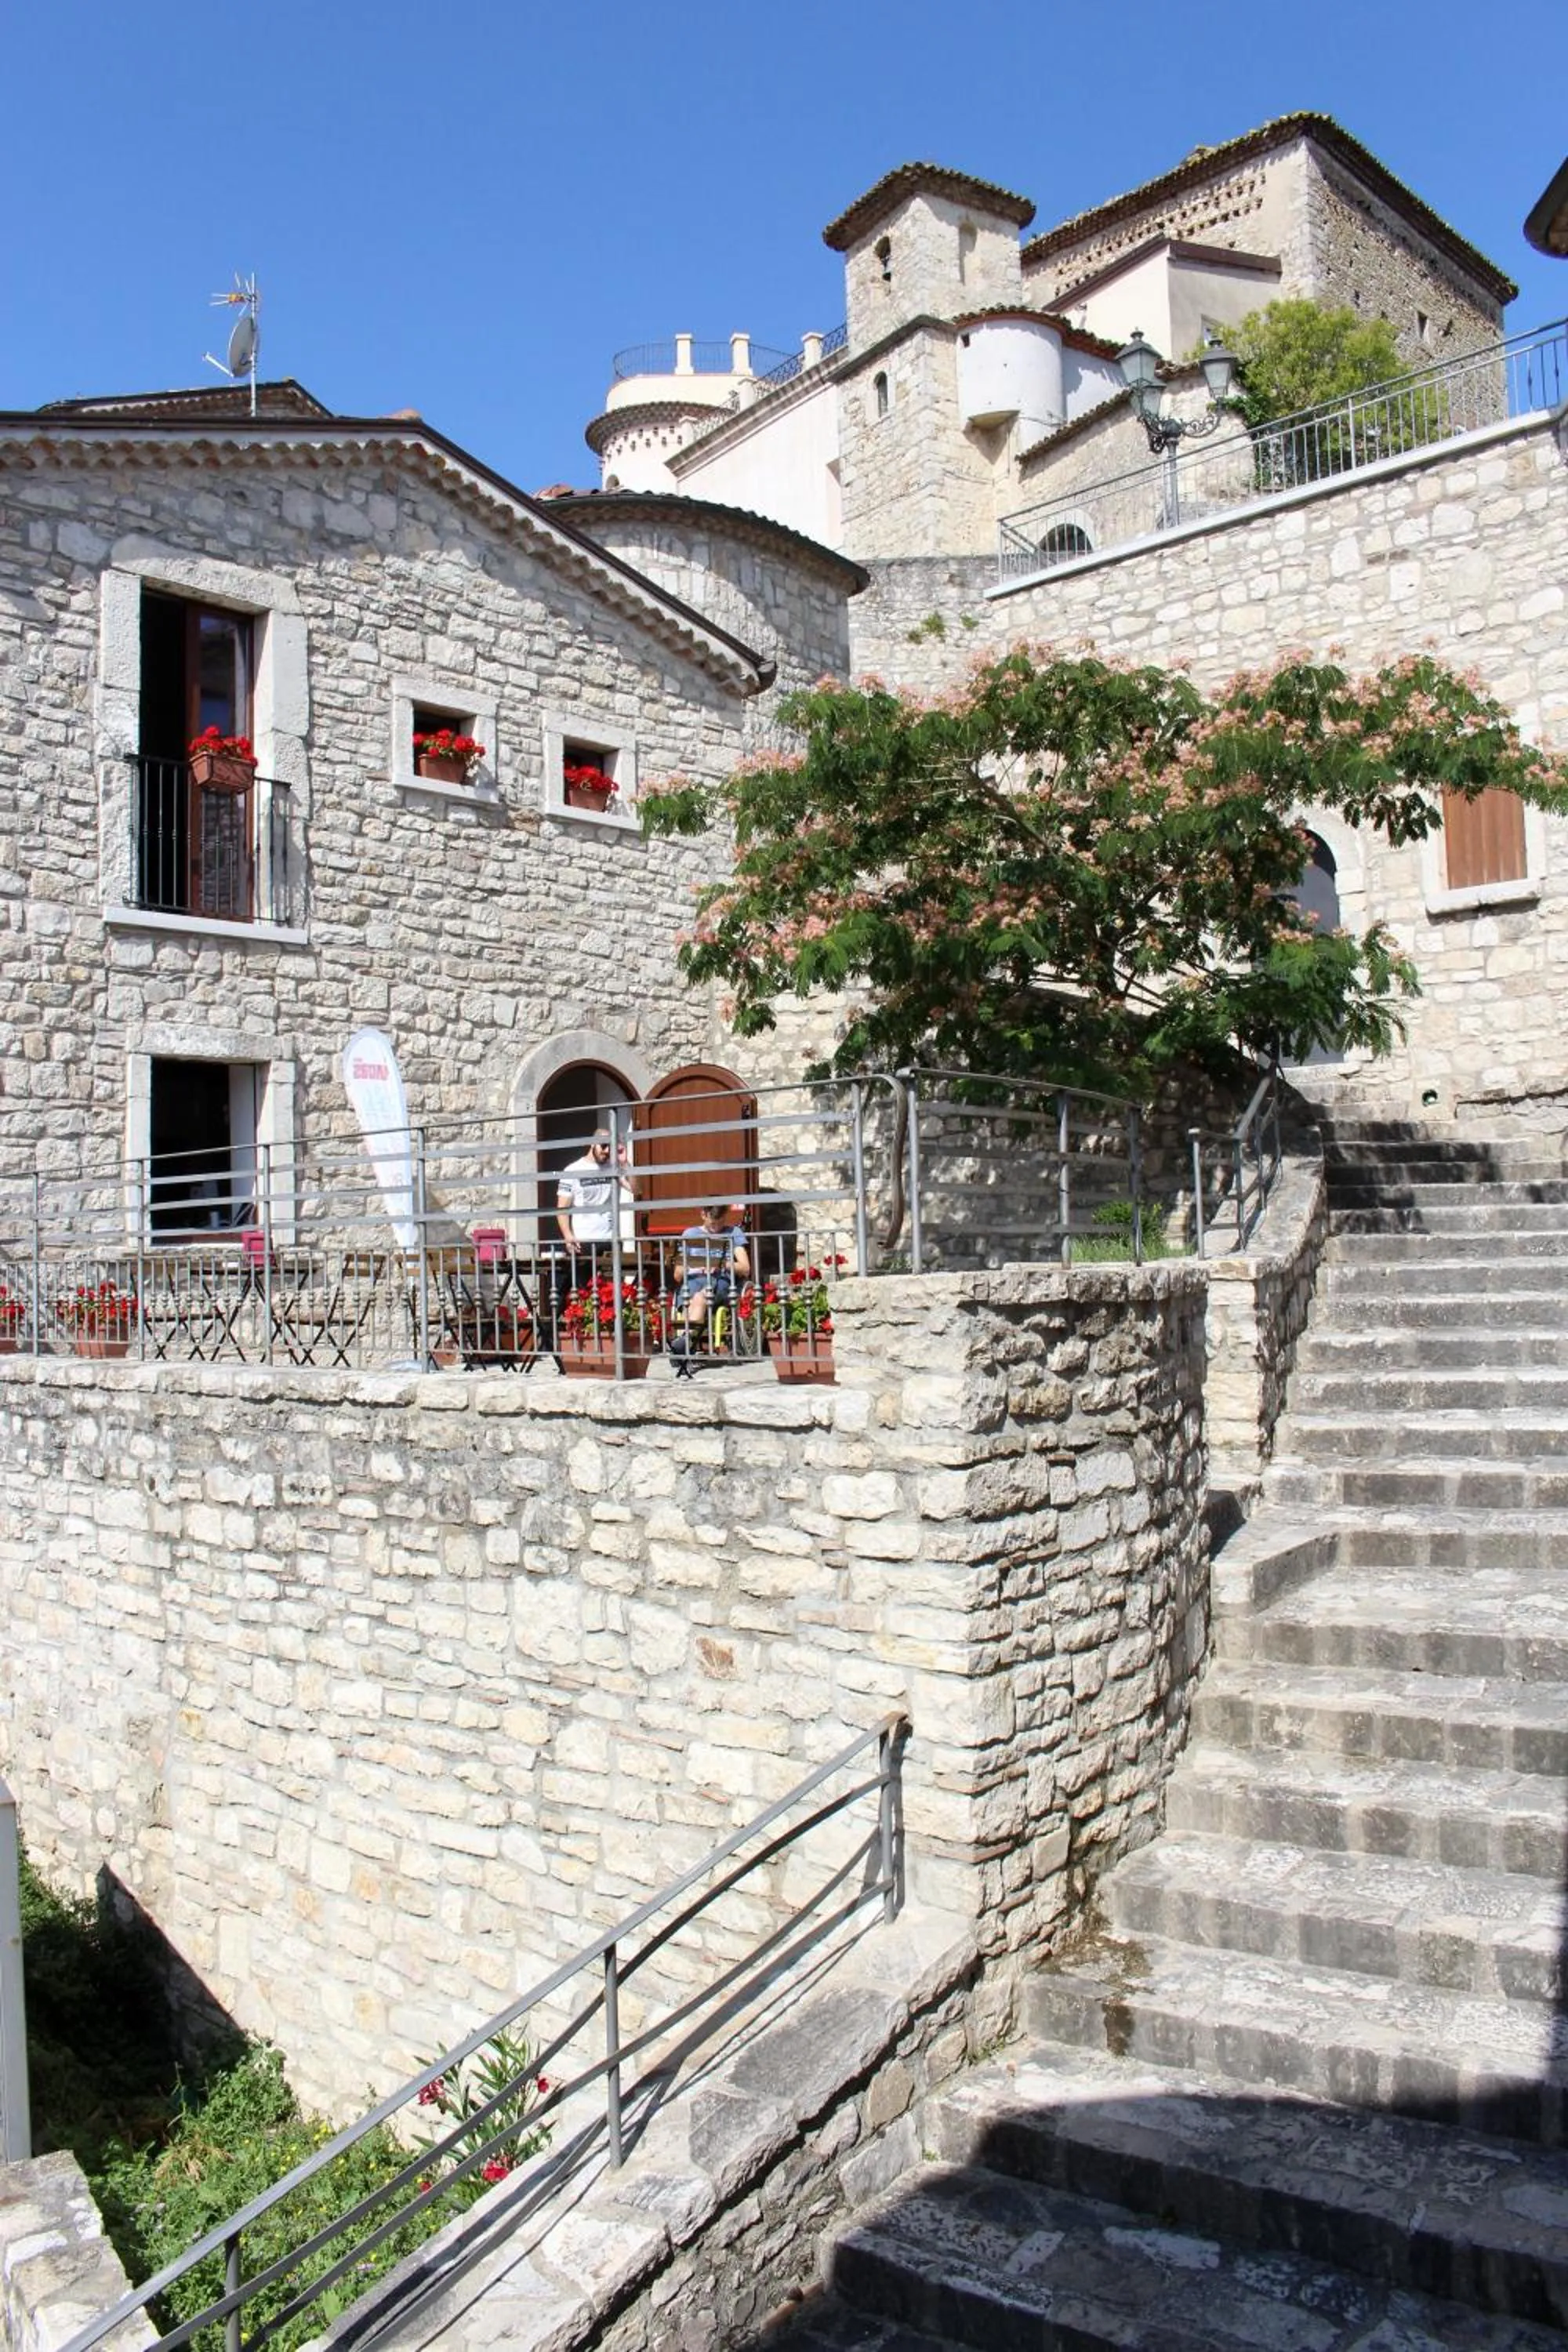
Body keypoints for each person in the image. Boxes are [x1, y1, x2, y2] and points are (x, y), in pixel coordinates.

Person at [554, 1127, 637, 1321]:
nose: (607, 1151)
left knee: (610, 1291)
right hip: (584, 1240)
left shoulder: (613, 1168)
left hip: (610, 1240)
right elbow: (562, 1207)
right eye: (603, 1146)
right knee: (585, 1291)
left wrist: (626, 1164)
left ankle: (609, 1330)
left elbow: (636, 1189)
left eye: (611, 1147)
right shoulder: (573, 1170)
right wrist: (568, 1236)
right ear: (593, 1144)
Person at [670, 1203, 750, 1356]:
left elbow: (745, 1268)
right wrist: (694, 1265)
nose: (717, 1228)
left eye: (721, 1222)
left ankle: (684, 1344)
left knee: (699, 1298)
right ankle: (687, 1345)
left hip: (719, 1283)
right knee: (693, 1299)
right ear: (703, 1215)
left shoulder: (733, 1232)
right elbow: (677, 1275)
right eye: (713, 1223)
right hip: (692, 1282)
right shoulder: (690, 1234)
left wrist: (721, 1264)